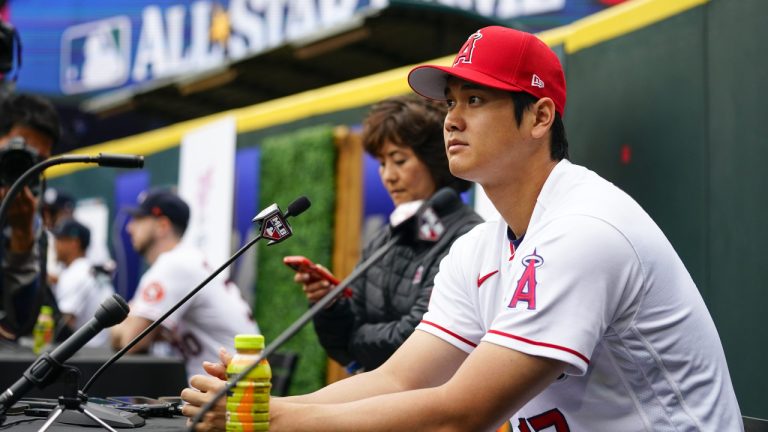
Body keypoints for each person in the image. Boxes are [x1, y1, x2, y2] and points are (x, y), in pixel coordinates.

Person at [182, 26, 742, 431]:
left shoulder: (584, 228)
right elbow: (399, 380)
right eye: (451, 102)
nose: (451, 118)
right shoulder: (480, 245)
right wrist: (259, 409)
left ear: (540, 117)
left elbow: (462, 413)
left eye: (475, 99)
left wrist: (277, 420)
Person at [297, 95, 483, 372]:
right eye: (382, 163)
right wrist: (331, 305)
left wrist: (354, 341)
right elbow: (341, 344)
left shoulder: (468, 237)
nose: (388, 176)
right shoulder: (385, 238)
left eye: (399, 160)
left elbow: (415, 339)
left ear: (436, 161)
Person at [110, 189, 259, 380]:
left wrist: (120, 327)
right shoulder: (184, 260)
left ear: (162, 226)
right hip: (237, 379)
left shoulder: (173, 265)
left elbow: (130, 341)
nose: (130, 228)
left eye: (139, 219)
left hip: (235, 388)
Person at [0, 93, 61, 340]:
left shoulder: (27, 216)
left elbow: (22, 321)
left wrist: (22, 236)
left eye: (38, 161)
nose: (24, 167)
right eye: (18, 150)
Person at [52, 218, 113, 346]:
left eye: (60, 239)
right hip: (102, 347)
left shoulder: (75, 273)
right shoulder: (85, 268)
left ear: (74, 243)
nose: (55, 244)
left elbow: (64, 325)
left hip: (88, 350)